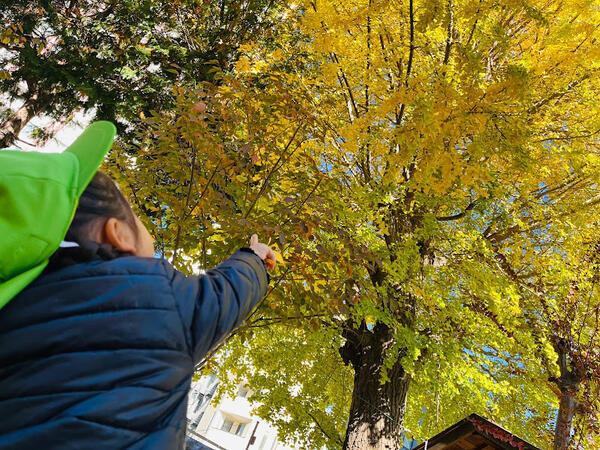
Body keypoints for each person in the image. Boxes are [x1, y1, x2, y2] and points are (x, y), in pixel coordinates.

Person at [0, 122, 276, 449]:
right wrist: (254, 258)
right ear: (118, 233)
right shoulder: (147, 299)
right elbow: (223, 295)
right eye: (135, 214)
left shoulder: (16, 312)